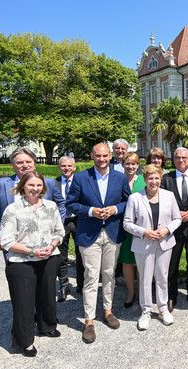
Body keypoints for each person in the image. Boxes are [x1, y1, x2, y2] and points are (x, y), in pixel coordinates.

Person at [66, 143, 131, 344]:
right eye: (98, 156)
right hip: (89, 234)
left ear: (110, 156)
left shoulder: (120, 177)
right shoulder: (80, 177)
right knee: (91, 276)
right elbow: (71, 204)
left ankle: (108, 310)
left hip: (112, 232)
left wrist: (115, 208)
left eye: (105, 156)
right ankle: (89, 321)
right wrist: (90, 211)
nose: (102, 159)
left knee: (109, 274)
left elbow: (129, 202)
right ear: (92, 156)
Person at [0, 171, 65, 357]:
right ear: (22, 186)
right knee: (24, 303)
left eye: (38, 185)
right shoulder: (13, 209)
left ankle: (47, 326)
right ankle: (25, 341)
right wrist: (32, 251)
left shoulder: (51, 207)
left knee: (46, 296)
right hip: (21, 261)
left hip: (49, 258)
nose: (35, 189)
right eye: (30, 185)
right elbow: (6, 241)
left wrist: (51, 246)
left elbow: (59, 232)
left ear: (43, 187)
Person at [124, 165, 182, 329]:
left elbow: (177, 219)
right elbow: (127, 223)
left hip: (164, 243)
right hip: (144, 243)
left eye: (157, 178)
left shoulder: (169, 196)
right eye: (150, 178)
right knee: (145, 278)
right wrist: (144, 232)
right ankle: (146, 311)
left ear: (161, 178)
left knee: (162, 277)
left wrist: (167, 229)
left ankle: (163, 309)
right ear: (145, 179)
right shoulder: (135, 198)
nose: (154, 181)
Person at [0, 148, 65, 258]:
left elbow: (61, 205)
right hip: (13, 242)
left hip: (44, 241)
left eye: (28, 162)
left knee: (46, 273)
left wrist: (57, 225)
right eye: (20, 162)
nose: (25, 165)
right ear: (13, 165)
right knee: (18, 273)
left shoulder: (48, 183)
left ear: (34, 164)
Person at [161, 147, 188, 311]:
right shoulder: (166, 178)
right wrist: (174, 212)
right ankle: (171, 296)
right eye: (178, 157)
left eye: (184, 157)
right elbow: (162, 200)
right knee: (172, 263)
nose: (181, 160)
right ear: (174, 159)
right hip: (173, 228)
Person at [117, 152, 146, 308]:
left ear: (138, 165)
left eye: (133, 164)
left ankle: (142, 292)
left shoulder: (143, 181)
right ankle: (130, 293)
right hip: (123, 226)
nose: (130, 166)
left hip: (142, 227)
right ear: (122, 165)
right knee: (127, 261)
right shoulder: (116, 181)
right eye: (127, 163)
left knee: (140, 261)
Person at [55, 156, 83, 301]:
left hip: (79, 221)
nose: (66, 168)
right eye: (63, 166)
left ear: (74, 167)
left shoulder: (81, 182)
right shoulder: (54, 183)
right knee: (61, 256)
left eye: (69, 166)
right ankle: (64, 286)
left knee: (81, 254)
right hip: (62, 222)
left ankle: (81, 284)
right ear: (59, 167)